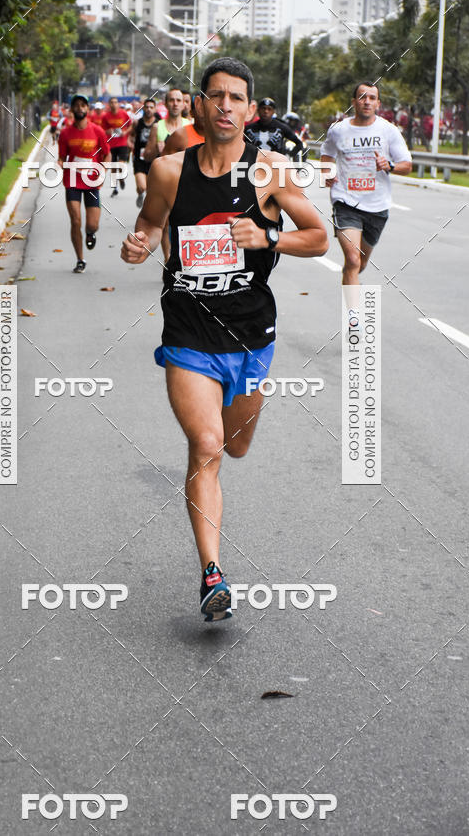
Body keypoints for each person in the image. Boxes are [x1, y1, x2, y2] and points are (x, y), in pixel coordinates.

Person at [120, 57, 327, 622]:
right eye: (216, 96)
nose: (226, 106)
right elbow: (149, 226)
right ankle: (213, 574)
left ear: (251, 110)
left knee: (235, 445)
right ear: (201, 103)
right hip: (188, 332)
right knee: (207, 445)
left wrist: (268, 236)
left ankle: (213, 555)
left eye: (237, 98)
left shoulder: (270, 172)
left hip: (251, 335)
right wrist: (137, 246)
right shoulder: (168, 170)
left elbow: (319, 238)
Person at [320, 81, 412, 313]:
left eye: (372, 98)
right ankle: (354, 319)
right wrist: (327, 173)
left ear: (378, 103)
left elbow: (407, 165)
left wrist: (389, 165)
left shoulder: (388, 131)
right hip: (346, 202)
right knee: (352, 259)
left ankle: (349, 279)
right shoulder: (338, 130)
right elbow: (326, 154)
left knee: (359, 264)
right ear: (354, 102)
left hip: (377, 206)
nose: (367, 101)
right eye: (362, 97)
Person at [58, 93, 110, 272]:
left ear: (87, 109)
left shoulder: (98, 131)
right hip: (72, 180)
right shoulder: (65, 133)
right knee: (75, 220)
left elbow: (107, 153)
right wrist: (60, 163)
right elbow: (61, 157)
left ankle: (90, 233)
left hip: (92, 181)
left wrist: (104, 168)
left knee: (92, 224)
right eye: (77, 105)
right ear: (72, 109)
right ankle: (80, 259)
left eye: (83, 105)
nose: (80, 108)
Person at [143, 87, 188, 260]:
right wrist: (156, 148)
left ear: (184, 104)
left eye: (179, 100)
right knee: (165, 221)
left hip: (187, 182)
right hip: (166, 182)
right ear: (166, 104)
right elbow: (147, 156)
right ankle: (168, 258)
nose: (175, 104)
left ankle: (182, 256)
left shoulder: (190, 125)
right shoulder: (158, 127)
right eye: (172, 100)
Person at [129, 98, 160, 208]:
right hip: (139, 159)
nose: (148, 109)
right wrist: (130, 143)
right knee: (142, 186)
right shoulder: (138, 123)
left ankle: (147, 204)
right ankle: (141, 193)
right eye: (146, 107)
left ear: (155, 109)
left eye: (151, 107)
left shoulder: (159, 124)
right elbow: (131, 136)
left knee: (151, 188)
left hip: (155, 159)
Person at [101, 97, 131, 196]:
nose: (114, 104)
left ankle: (121, 178)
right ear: (109, 104)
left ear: (118, 104)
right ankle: (115, 188)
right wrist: (107, 131)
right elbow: (102, 130)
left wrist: (125, 132)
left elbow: (131, 125)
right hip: (111, 144)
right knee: (113, 167)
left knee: (121, 164)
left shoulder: (123, 114)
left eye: (115, 102)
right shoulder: (106, 116)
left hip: (122, 143)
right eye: (112, 103)